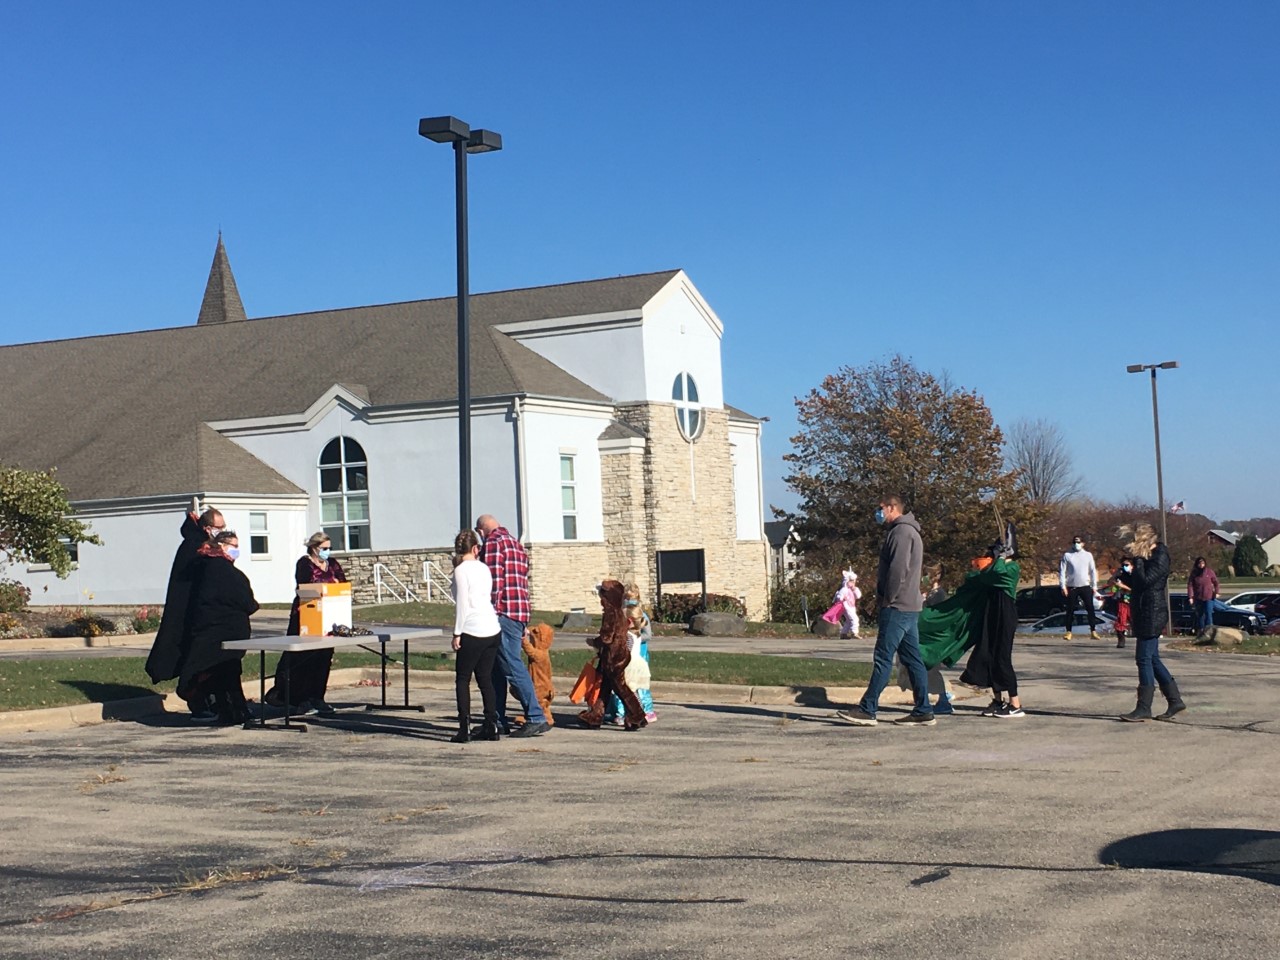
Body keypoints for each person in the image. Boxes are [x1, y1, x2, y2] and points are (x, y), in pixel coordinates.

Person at [835, 495, 934, 727]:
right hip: (910, 606)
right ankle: (923, 709)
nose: (878, 513)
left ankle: (868, 709)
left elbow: (897, 571)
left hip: (897, 606)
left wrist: (886, 599)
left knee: (883, 657)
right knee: (912, 659)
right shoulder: (912, 533)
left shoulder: (900, 533)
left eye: (881, 509)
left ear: (892, 508)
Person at [145, 503, 226, 717]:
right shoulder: (194, 547)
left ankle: (211, 701)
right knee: (196, 661)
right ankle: (196, 700)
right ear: (208, 528)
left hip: (208, 616)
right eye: (220, 526)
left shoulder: (206, 546)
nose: (223, 530)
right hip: (191, 615)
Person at [475, 514, 549, 738]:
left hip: (502, 613)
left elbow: (494, 583)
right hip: (518, 612)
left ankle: (535, 717)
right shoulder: (516, 545)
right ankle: (497, 720)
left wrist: (489, 612)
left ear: (481, 531)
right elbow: (522, 582)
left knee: (510, 664)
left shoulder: (493, 544)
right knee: (496, 666)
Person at [263, 532, 348, 715]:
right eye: (324, 548)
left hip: (330, 615)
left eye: (329, 548)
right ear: (314, 547)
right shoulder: (305, 563)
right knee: (304, 657)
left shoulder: (332, 564)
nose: (327, 552)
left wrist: (333, 587)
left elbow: (341, 582)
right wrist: (327, 586)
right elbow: (306, 584)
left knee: (324, 656)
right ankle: (299, 698)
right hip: (307, 615)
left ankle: (318, 696)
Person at [178, 530, 257, 724]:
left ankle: (232, 708)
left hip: (220, 631)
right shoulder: (222, 571)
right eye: (233, 546)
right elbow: (246, 601)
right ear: (221, 546)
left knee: (225, 671)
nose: (236, 550)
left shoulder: (206, 567)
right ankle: (227, 708)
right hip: (220, 632)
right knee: (222, 671)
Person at [1119, 522, 1186, 722]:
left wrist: (1138, 560)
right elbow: (1137, 582)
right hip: (1143, 610)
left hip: (1152, 612)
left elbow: (1147, 581)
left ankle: (1144, 707)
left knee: (1143, 659)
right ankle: (1175, 701)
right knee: (1153, 659)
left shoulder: (1160, 557)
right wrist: (1124, 575)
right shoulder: (1148, 558)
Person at [449, 529, 502, 743]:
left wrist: (457, 633)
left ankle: (464, 727)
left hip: (472, 628)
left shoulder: (460, 571)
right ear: (475, 548)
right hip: (491, 627)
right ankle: (492, 724)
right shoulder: (484, 568)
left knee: (463, 678)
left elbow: (461, 603)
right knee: (485, 678)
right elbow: (485, 595)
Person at [578, 579, 648, 730]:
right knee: (605, 687)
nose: (600, 600)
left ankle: (637, 715)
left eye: (602, 596)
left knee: (621, 688)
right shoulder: (619, 612)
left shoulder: (611, 614)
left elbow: (607, 637)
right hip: (615, 656)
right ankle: (596, 715)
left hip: (614, 658)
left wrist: (594, 642)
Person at [603, 582, 657, 724]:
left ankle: (646, 709)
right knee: (623, 686)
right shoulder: (622, 613)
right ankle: (620, 712)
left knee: (636, 686)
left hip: (638, 656)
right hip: (624, 658)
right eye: (626, 598)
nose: (629, 602)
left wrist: (635, 635)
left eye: (632, 599)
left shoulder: (639, 615)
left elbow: (648, 635)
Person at [1059, 535, 1100, 640]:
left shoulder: (1088, 555)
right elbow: (1062, 572)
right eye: (1075, 542)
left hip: (1085, 586)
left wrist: (1094, 586)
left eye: (1079, 542)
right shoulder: (1067, 555)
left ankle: (1093, 631)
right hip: (1072, 586)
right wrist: (1063, 586)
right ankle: (1068, 631)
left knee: (1090, 608)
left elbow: (1092, 571)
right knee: (1070, 610)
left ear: (1083, 543)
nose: (1076, 544)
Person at [1187, 556, 1219, 635]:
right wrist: (1191, 596)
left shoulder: (1209, 572)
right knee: (1200, 615)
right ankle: (1201, 631)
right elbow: (1190, 585)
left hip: (1209, 597)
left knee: (1208, 613)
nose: (1201, 565)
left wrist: (1217, 592)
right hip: (1198, 598)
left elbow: (1216, 583)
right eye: (1199, 564)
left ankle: (1210, 631)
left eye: (1203, 563)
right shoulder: (1194, 574)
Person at [1105, 560, 1134, 649]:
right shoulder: (1120, 573)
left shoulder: (1137, 574)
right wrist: (1115, 581)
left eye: (1127, 565)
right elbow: (1110, 581)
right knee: (1121, 618)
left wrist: (1123, 586)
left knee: (1134, 618)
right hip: (1123, 599)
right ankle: (1121, 639)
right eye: (1123, 565)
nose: (1125, 566)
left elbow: (1134, 589)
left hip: (1134, 600)